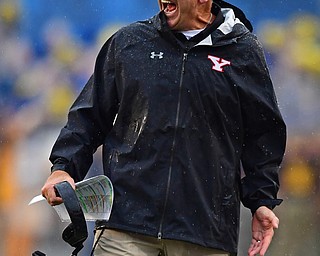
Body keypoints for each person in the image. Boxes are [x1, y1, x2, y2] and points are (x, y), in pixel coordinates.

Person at [41, 0, 287, 255]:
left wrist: (261, 200)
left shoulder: (243, 51)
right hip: (126, 225)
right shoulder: (129, 42)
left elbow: (263, 136)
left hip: (204, 232)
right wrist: (63, 168)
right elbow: (89, 116)